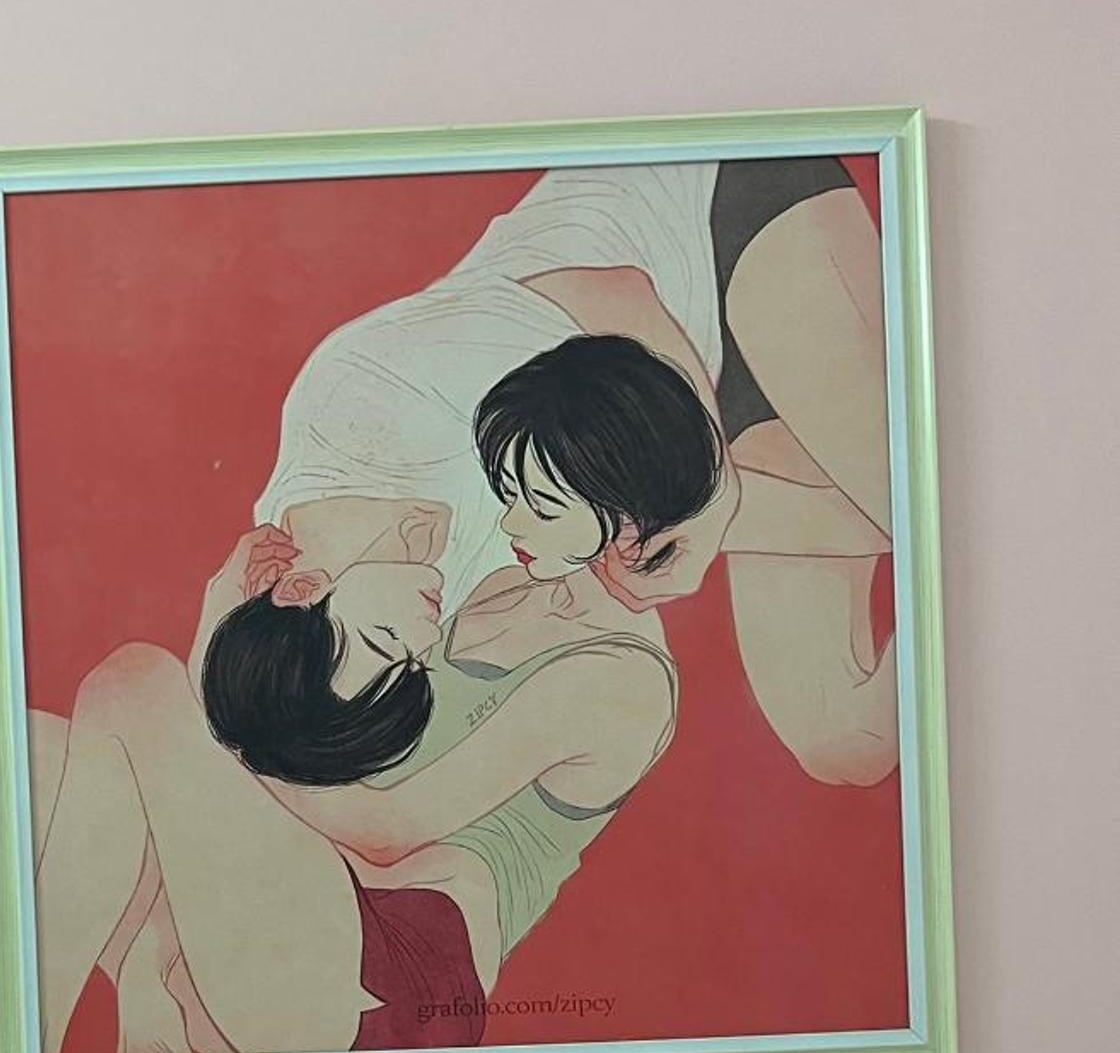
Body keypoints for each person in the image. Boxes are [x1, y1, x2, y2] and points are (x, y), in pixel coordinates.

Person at [32, 367, 681, 1053]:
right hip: (319, 902)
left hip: (397, 971)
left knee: (137, 683)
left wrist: (216, 704)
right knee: (46, 754)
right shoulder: (497, 590)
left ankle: (53, 1040)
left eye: (542, 505)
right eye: (511, 492)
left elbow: (387, 830)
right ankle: (144, 996)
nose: (509, 522)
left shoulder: (622, 678)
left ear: (628, 516)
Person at [194, 155, 896, 789]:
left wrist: (711, 505)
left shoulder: (358, 404)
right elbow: (622, 537)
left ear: (303, 587)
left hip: (709, 234)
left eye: (386, 642)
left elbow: (613, 296)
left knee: (913, 506)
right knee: (845, 744)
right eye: (412, 665)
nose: (425, 641)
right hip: (709, 412)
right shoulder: (425, 589)